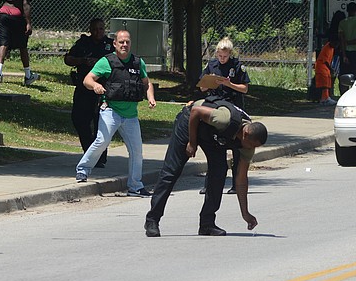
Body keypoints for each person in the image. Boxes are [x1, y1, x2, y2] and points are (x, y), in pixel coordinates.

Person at [144, 97, 268, 237]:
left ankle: (207, 224)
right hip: (190, 121)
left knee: (219, 172)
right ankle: (152, 220)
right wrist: (192, 143)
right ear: (245, 134)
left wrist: (245, 213)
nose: (252, 149)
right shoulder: (225, 119)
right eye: (252, 145)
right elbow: (196, 112)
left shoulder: (248, 143)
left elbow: (241, 179)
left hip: (212, 135)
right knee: (171, 171)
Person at [74, 30, 156, 197]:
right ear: (115, 44)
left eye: (127, 42)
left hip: (131, 115)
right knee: (102, 141)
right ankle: (83, 169)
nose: (124, 45)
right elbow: (87, 79)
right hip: (111, 111)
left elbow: (147, 83)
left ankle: (135, 186)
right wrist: (95, 86)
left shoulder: (137, 62)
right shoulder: (107, 61)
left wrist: (151, 97)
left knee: (137, 150)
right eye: (121, 42)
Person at [198, 37, 249, 194]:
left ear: (230, 54)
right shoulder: (212, 65)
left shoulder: (237, 66)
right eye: (220, 56)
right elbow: (201, 88)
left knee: (236, 149)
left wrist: (229, 84)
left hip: (233, 109)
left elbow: (245, 88)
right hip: (216, 107)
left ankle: (236, 185)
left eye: (225, 56)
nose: (222, 59)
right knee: (213, 147)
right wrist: (209, 83)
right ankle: (209, 185)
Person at [64, 18, 114, 168]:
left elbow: (119, 62)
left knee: (102, 123)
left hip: (103, 90)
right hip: (84, 88)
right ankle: (90, 151)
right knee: (79, 119)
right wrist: (83, 61)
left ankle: (100, 157)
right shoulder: (83, 43)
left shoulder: (110, 45)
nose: (98, 32)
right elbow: (68, 59)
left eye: (101, 29)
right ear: (90, 29)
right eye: (95, 29)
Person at [337, 2, 356, 96]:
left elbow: (341, 39)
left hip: (346, 52)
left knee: (343, 76)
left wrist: (344, 54)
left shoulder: (342, 23)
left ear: (347, 11)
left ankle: (343, 96)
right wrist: (352, 42)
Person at [315, 34, 339, 105]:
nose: (336, 45)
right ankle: (324, 98)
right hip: (322, 67)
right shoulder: (327, 48)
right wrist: (331, 69)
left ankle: (326, 97)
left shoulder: (332, 48)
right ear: (332, 42)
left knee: (327, 82)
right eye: (335, 43)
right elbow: (325, 61)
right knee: (324, 84)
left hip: (325, 68)